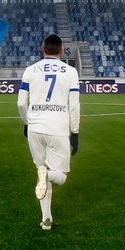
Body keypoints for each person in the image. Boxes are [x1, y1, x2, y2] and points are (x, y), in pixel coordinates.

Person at [17, 34, 81, 230]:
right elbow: (74, 105)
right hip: (58, 128)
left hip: (35, 128)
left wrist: (26, 122)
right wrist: (75, 132)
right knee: (60, 175)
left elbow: (21, 103)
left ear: (42, 48)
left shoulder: (30, 70)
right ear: (62, 50)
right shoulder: (70, 72)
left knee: (41, 171)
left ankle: (47, 218)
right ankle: (48, 176)